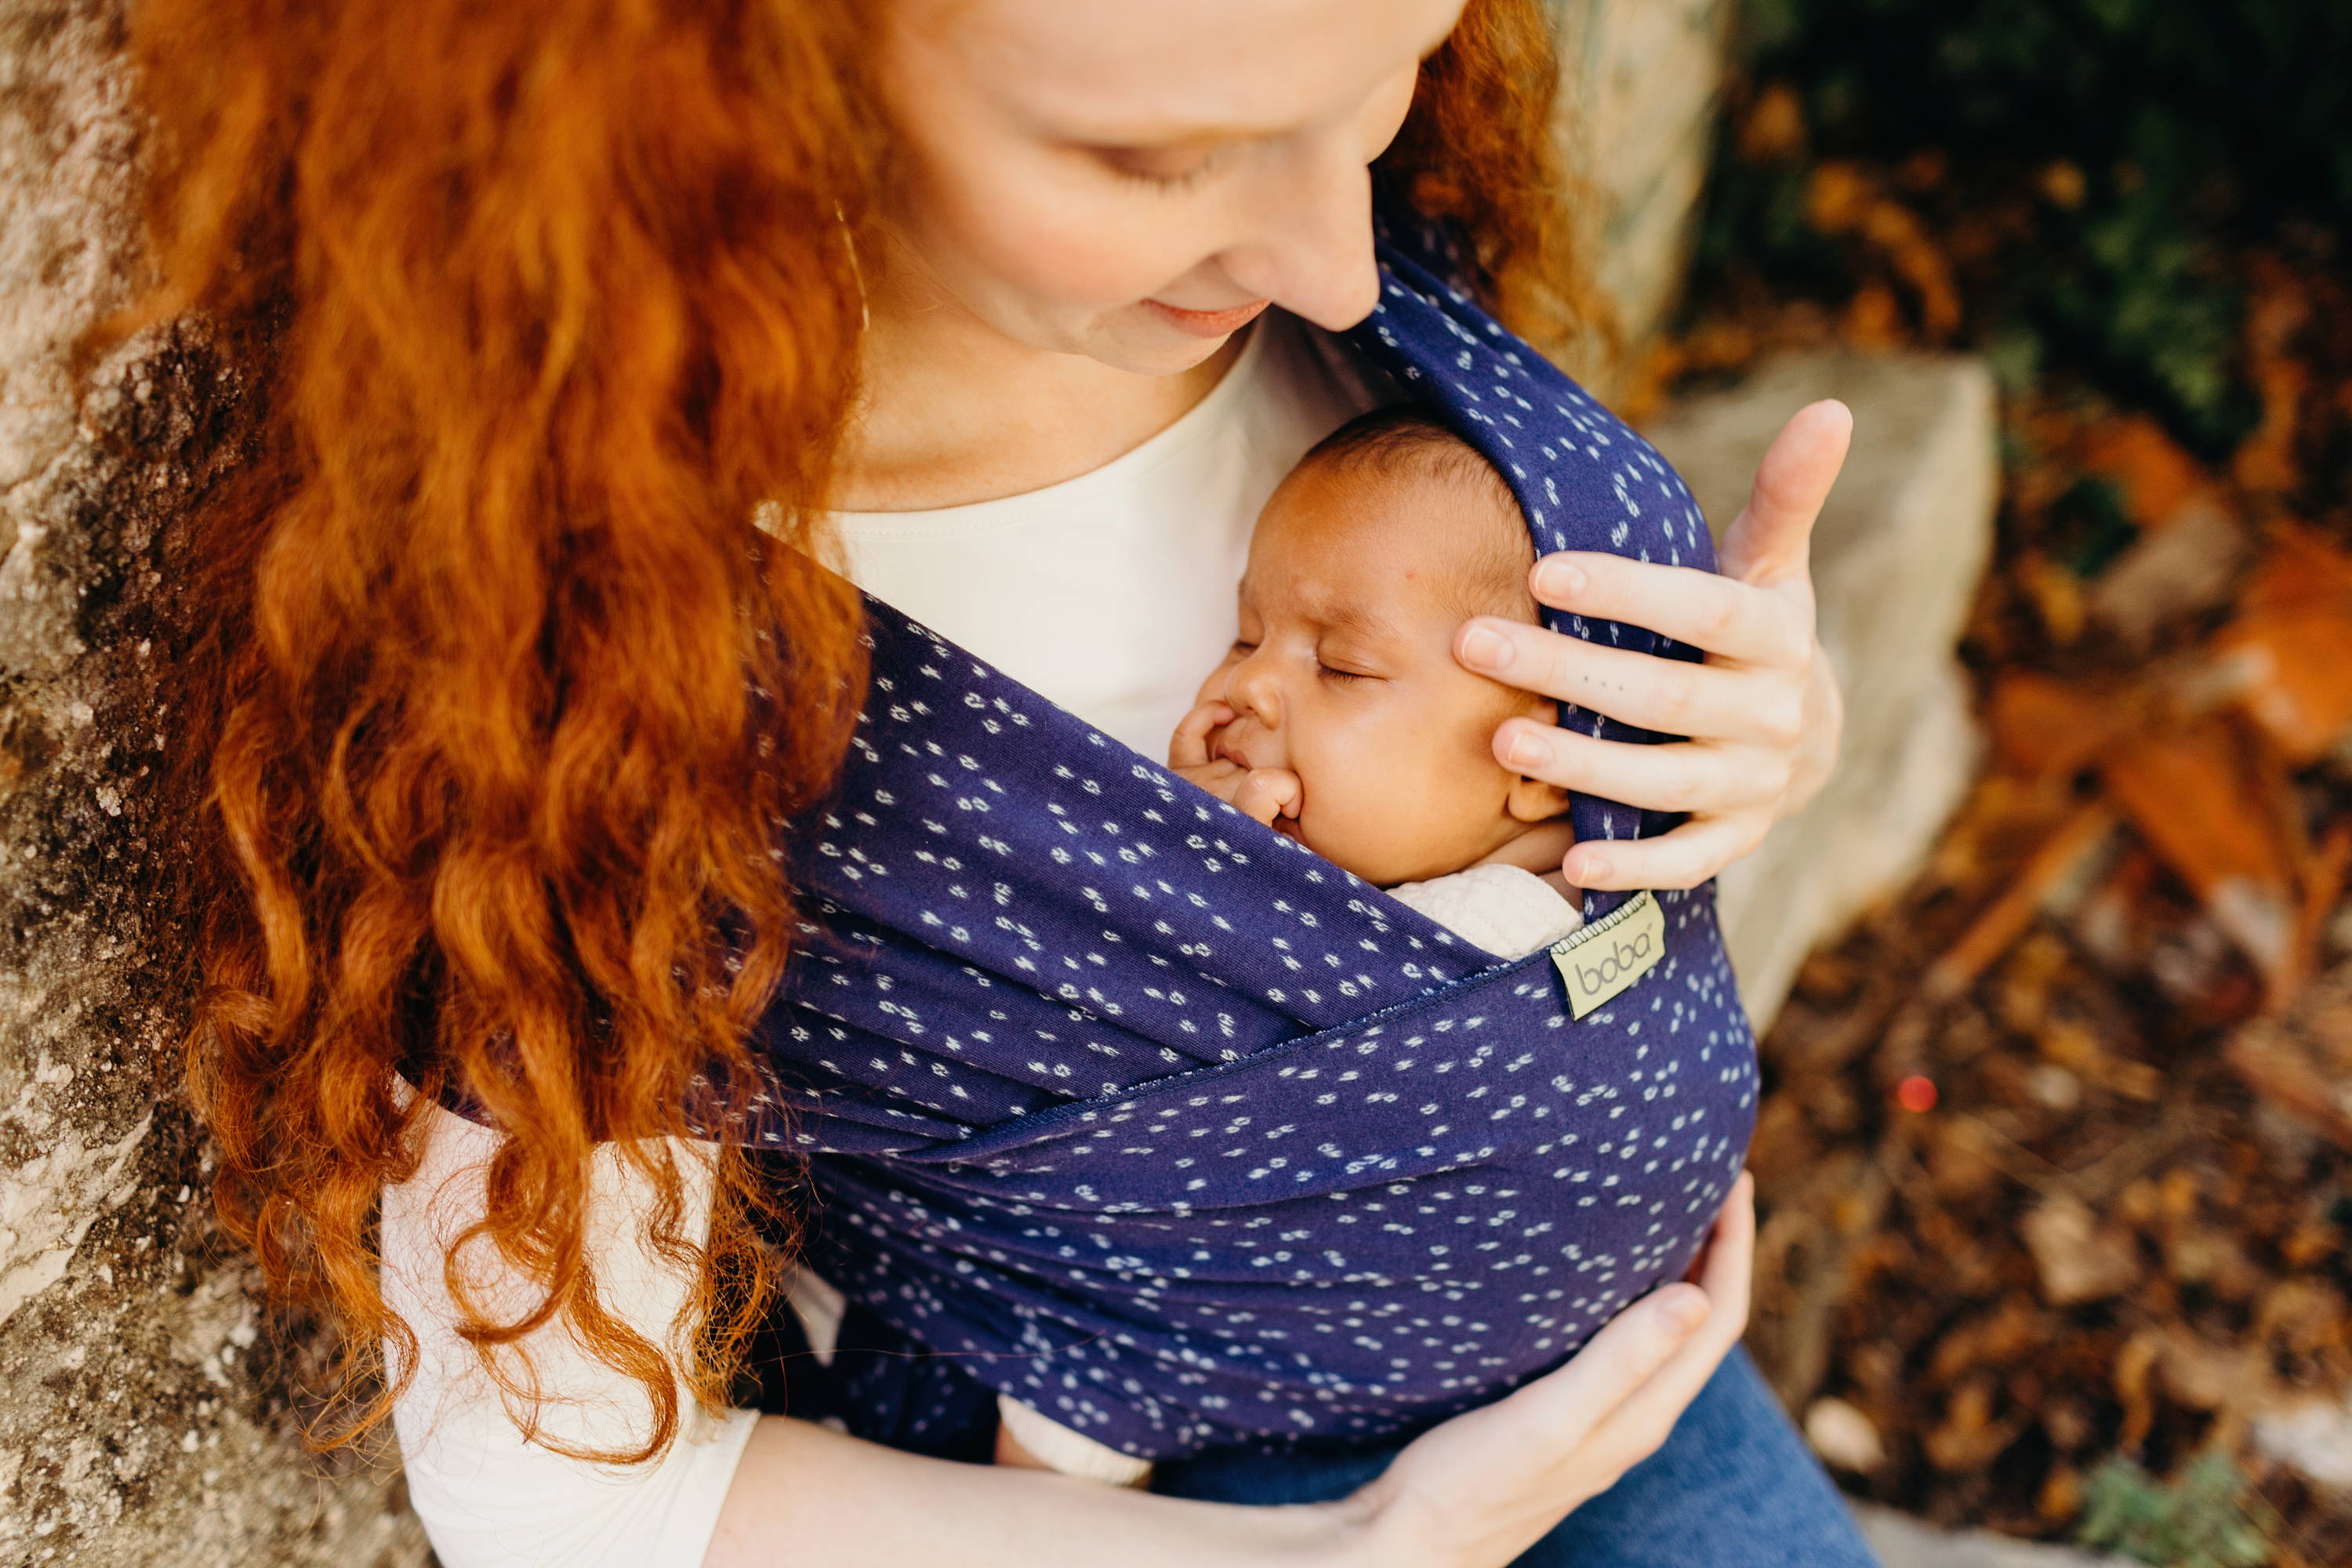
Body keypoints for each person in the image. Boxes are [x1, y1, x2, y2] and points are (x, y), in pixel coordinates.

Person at [122, 0, 1867, 1563]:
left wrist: (1753, 735)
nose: (1342, 260)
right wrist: (1353, 1552)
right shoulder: (595, 667)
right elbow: (557, 1498)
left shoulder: (1305, 262)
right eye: (1154, 156)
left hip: (1619, 1354)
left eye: (1385, 73)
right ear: (743, 58)